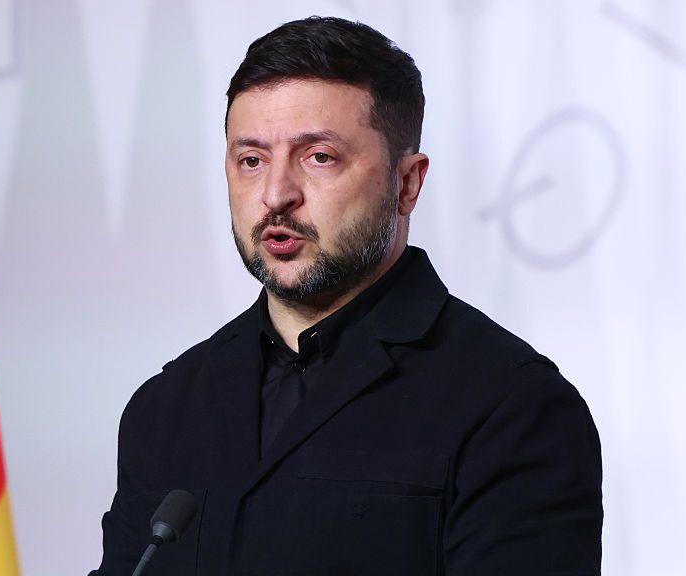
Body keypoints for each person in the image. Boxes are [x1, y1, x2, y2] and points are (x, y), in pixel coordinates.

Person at [92, 16, 602, 575]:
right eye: (251, 160)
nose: (276, 195)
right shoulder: (167, 407)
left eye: (319, 157)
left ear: (407, 183)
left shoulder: (512, 406)